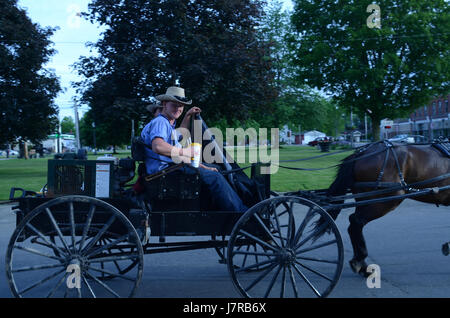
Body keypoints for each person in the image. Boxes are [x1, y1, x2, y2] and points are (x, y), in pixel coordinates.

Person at [141, 86, 247, 212]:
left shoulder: (167, 123)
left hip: (170, 169)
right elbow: (158, 146)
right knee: (215, 177)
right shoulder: (160, 122)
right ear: (164, 104)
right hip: (165, 173)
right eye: (174, 105)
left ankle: (220, 211)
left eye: (181, 106)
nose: (178, 108)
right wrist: (186, 152)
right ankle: (240, 213)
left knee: (216, 170)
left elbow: (180, 135)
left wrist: (187, 115)